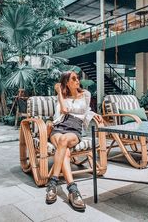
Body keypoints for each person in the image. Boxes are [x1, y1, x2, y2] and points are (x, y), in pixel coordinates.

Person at [46, 71, 103, 211]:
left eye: (78, 78)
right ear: (67, 83)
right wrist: (59, 92)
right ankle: (72, 189)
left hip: (74, 128)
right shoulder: (61, 98)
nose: (78, 80)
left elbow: (85, 111)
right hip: (58, 128)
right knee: (63, 148)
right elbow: (63, 110)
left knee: (64, 140)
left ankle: (52, 183)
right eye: (74, 79)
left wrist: (94, 114)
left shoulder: (86, 95)